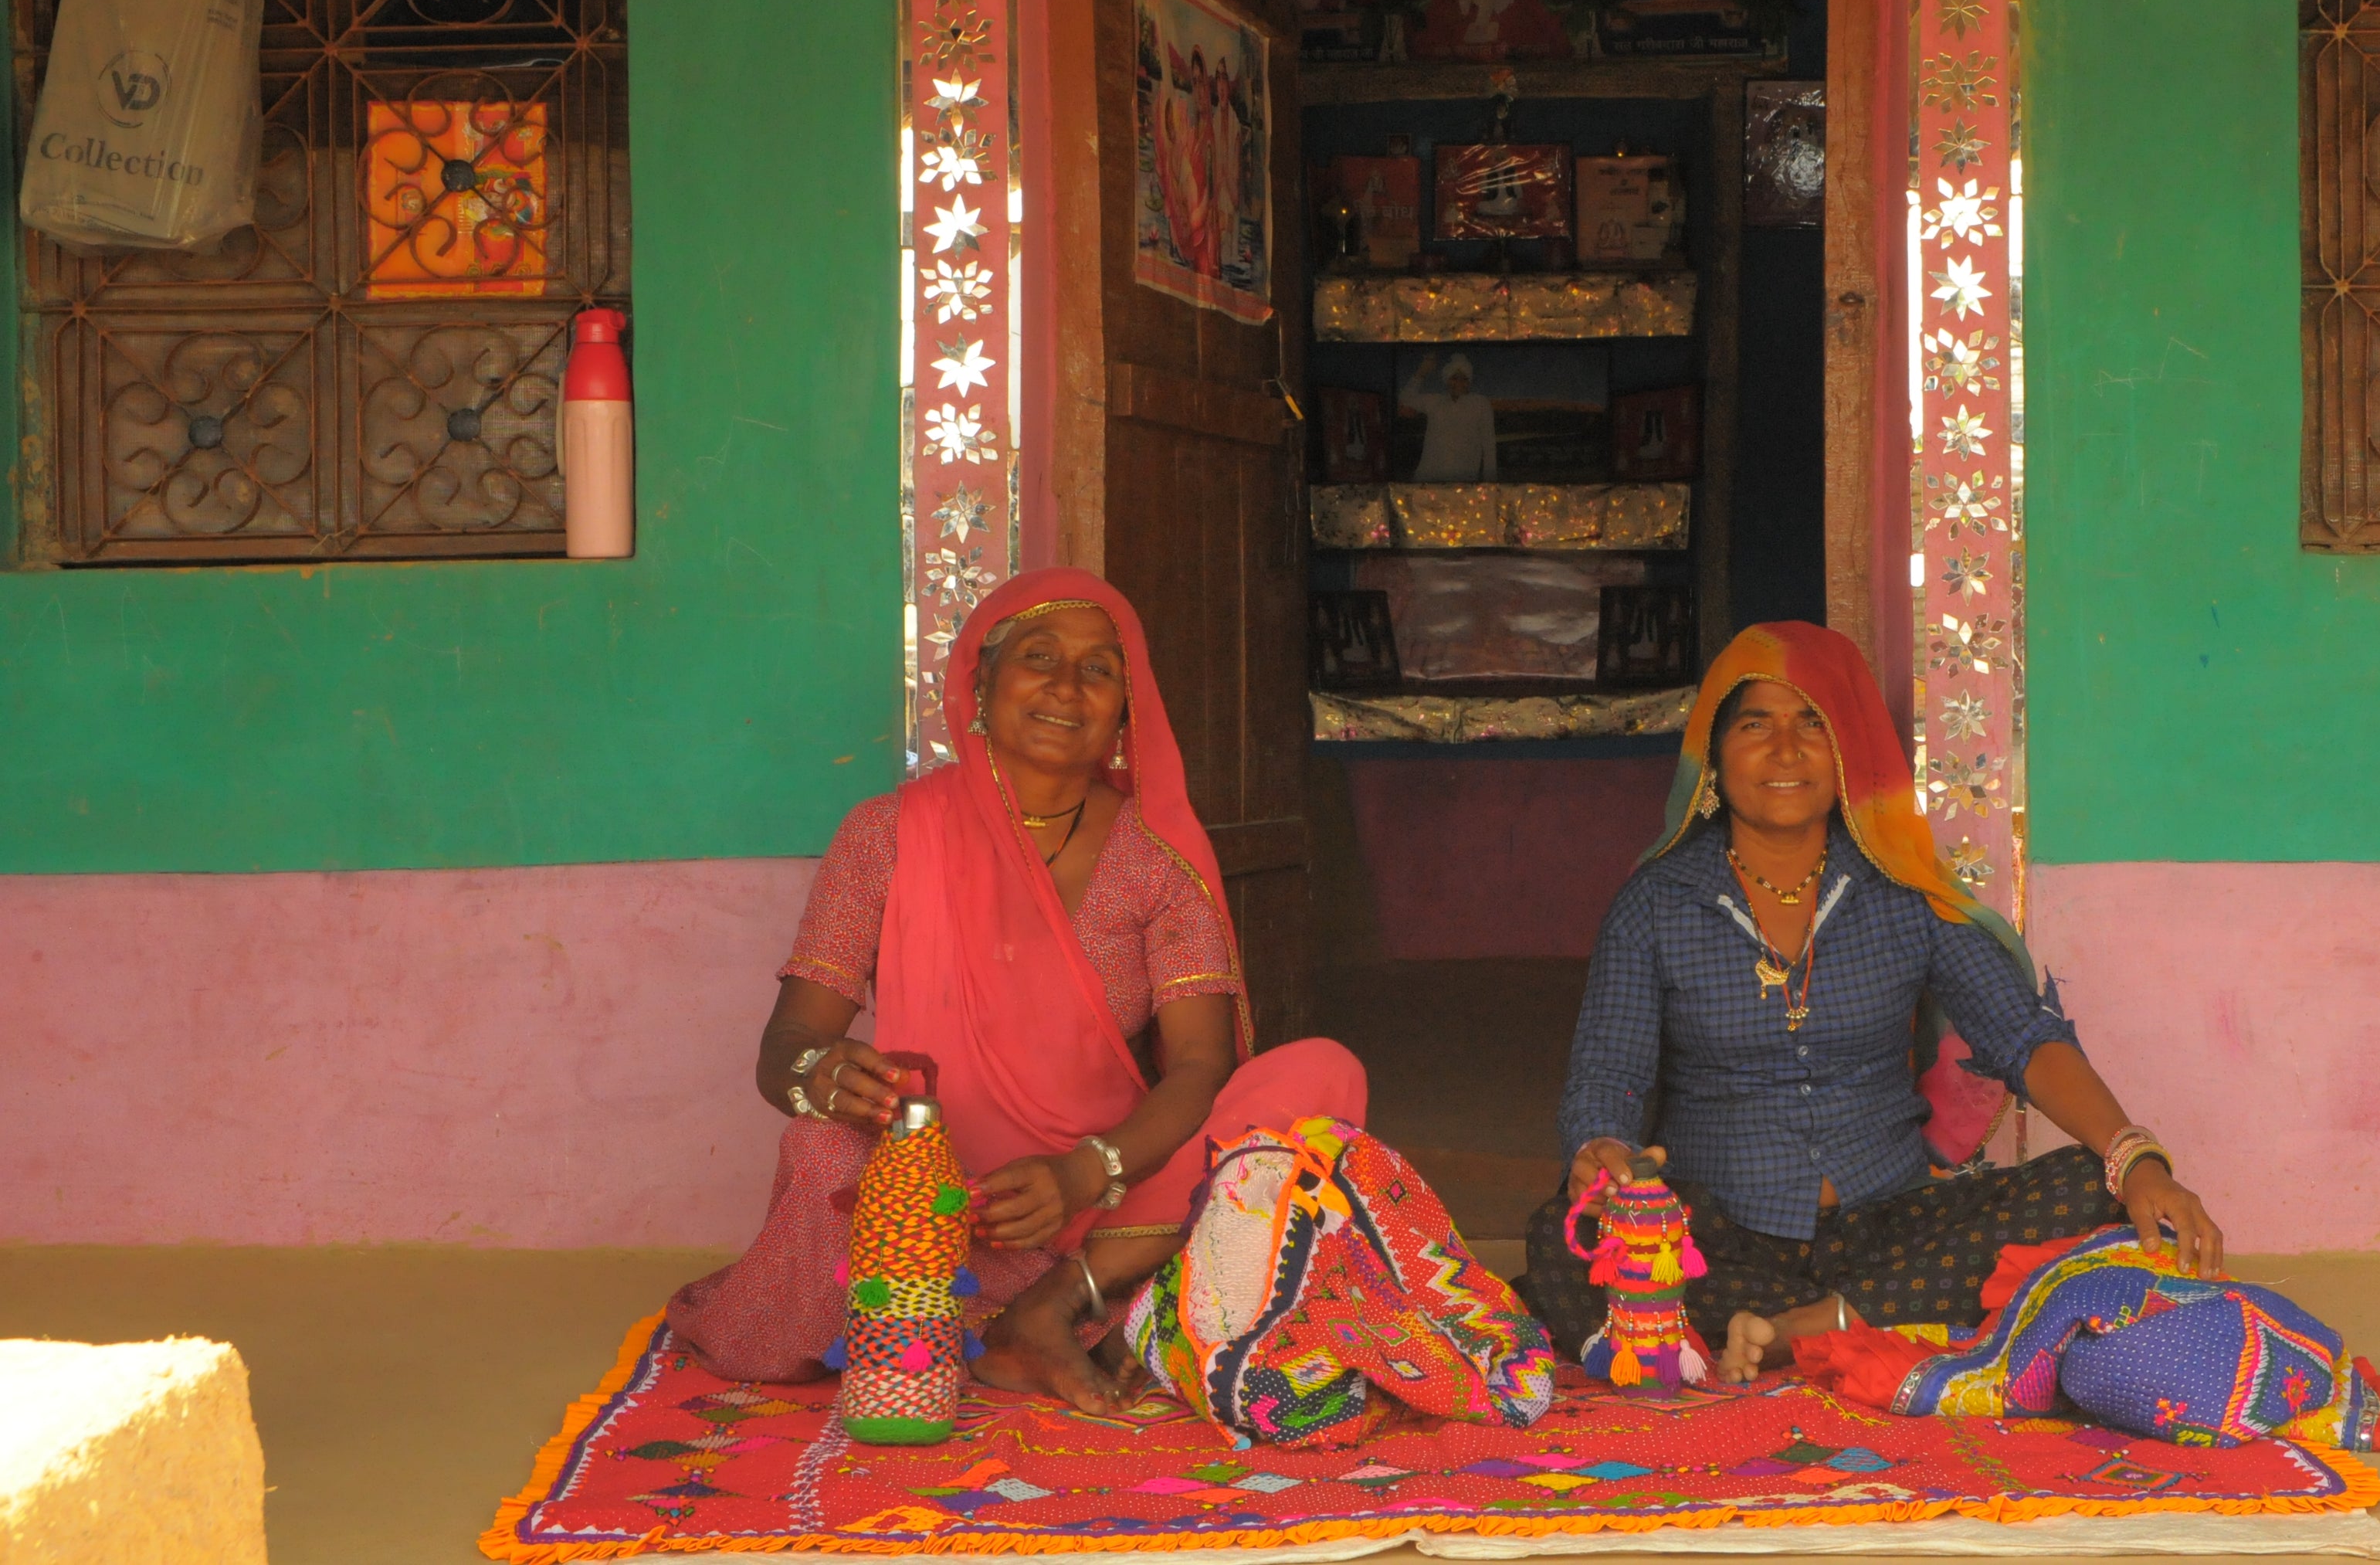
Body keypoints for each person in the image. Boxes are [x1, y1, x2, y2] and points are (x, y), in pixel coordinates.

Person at [667, 569, 1366, 1412]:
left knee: (1320, 1076)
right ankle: (1027, 1311)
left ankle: (1051, 1303)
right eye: (1039, 658)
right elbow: (785, 1048)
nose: (1068, 687)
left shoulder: (1156, 858)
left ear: (1125, 709)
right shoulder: (886, 837)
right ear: (981, 682)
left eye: (1100, 670)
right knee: (820, 1151)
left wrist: (1083, 1173)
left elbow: (1199, 1067)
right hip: (924, 1197)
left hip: (1104, 1201)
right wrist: (817, 1075)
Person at [1521, 622, 2222, 1384]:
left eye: (1813, 725)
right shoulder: (1654, 903)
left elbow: (2022, 1037)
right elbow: (1609, 1073)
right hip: (1717, 1232)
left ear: (1848, 752)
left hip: (1890, 1225)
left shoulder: (1903, 892)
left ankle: (1798, 1327)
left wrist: (2138, 1160)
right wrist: (1604, 1150)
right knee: (1563, 1230)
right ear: (1715, 759)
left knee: (2094, 1185)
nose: (1786, 751)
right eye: (1757, 725)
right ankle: (1870, 1316)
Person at [1401, 351, 1496, 480]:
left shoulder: (1480, 404)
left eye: (1464, 379)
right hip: (1428, 480)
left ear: (1469, 382)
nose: (1459, 383)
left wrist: (1490, 482)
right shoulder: (1435, 402)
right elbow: (1405, 399)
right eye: (1454, 378)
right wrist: (1421, 373)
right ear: (1447, 380)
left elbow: (1489, 446)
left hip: (1463, 482)